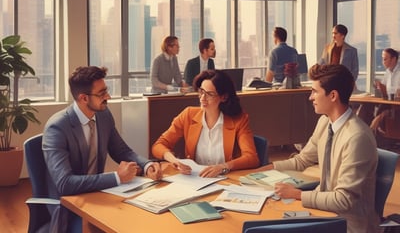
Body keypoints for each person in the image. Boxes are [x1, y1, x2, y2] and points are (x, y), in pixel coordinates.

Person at [256, 64, 379, 233]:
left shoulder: (357, 137)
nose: (310, 97)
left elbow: (344, 200)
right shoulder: (325, 122)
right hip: (324, 213)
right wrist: (267, 168)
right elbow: (303, 160)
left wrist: (297, 194)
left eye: (314, 91)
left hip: (347, 225)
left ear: (333, 95)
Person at [43, 66, 162, 232]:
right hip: (69, 204)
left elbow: (122, 151)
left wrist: (148, 165)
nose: (108, 97)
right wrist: (117, 177)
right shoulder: (57, 128)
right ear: (83, 98)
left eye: (106, 90)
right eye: (101, 93)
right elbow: (65, 184)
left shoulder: (103, 115)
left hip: (98, 194)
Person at [152, 69, 260, 177]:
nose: (203, 98)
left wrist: (224, 166)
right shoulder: (188, 115)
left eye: (210, 94)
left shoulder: (239, 120)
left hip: (227, 180)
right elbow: (158, 145)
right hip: (196, 179)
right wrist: (175, 161)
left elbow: (251, 158)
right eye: (201, 92)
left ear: (224, 97)